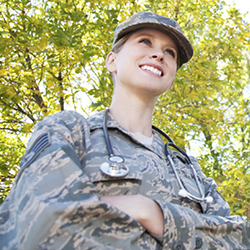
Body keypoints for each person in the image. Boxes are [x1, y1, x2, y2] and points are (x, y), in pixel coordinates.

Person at [0, 11, 249, 250]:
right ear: (112, 60)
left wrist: (151, 212)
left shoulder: (189, 170)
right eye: (145, 42)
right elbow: (40, 224)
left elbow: (240, 239)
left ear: (172, 79)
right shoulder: (68, 131)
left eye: (169, 52)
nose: (158, 55)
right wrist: (186, 233)